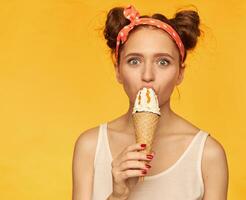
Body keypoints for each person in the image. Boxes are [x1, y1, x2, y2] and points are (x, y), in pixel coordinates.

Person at [72, 4, 228, 200]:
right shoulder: (90, 147)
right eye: (134, 61)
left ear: (180, 73)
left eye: (163, 62)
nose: (147, 75)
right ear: (118, 70)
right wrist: (118, 196)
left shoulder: (207, 155)